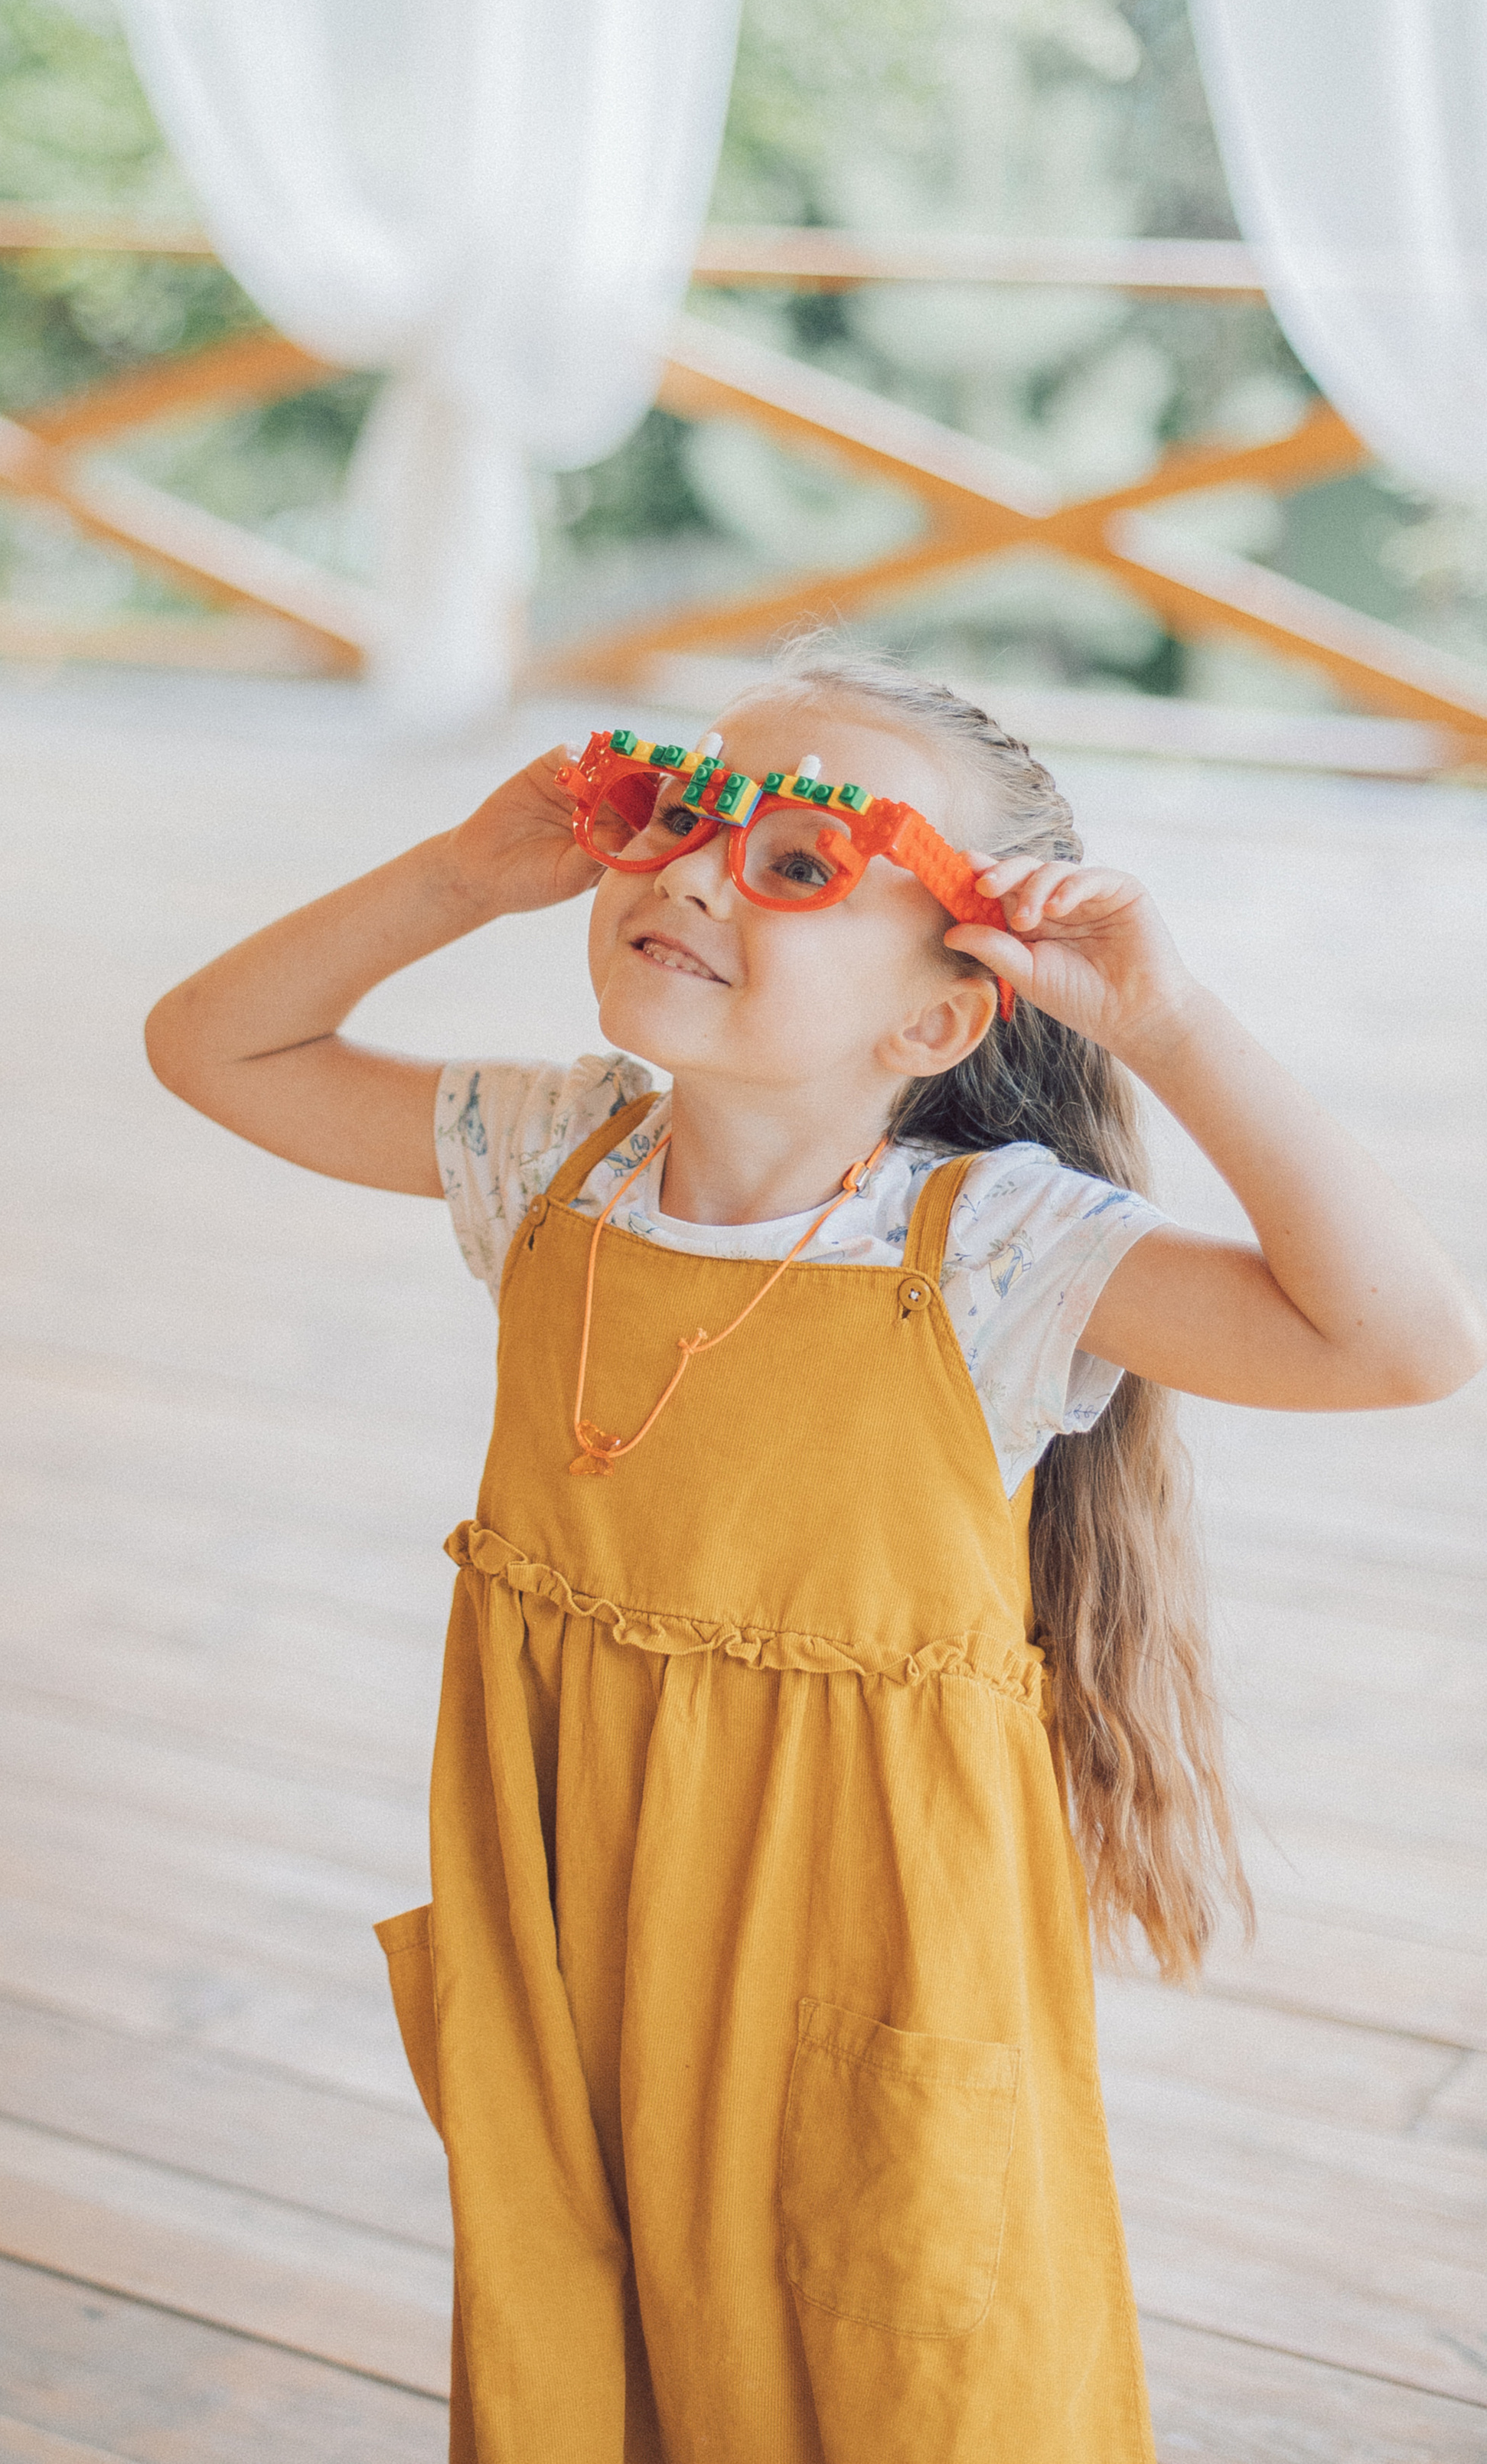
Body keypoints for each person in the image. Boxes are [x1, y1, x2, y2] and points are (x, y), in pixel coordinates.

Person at [144, 640, 1482, 2464]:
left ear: (936, 1019)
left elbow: (1395, 1342)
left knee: (895, 2352)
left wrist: (1164, 1023)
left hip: (865, 1920)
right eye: (682, 816)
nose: (694, 871)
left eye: (796, 863)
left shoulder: (997, 1249)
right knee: (587, 2332)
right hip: (578, 1880)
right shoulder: (554, 1160)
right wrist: (463, 872)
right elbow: (210, 1044)